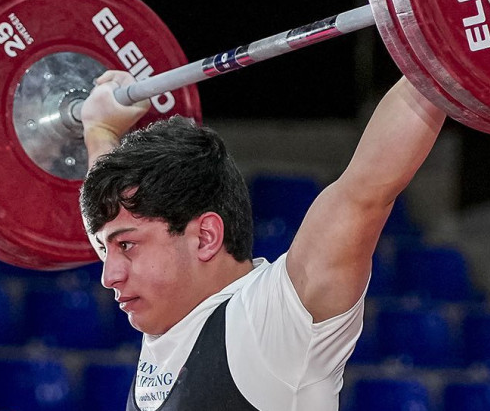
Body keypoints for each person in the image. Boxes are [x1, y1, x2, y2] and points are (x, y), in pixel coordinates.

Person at [79, 70, 446, 411]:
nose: (109, 275)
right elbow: (115, 219)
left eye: (126, 246)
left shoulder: (270, 323)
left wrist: (439, 53)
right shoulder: (172, 310)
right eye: (107, 248)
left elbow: (367, 190)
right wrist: (99, 128)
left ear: (205, 237)